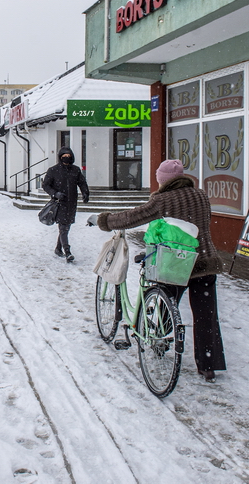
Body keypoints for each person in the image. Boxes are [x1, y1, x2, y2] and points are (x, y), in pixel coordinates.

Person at [95, 158, 226, 383]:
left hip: (177, 263)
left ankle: (160, 341)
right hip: (205, 261)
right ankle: (208, 365)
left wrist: (106, 221)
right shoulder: (201, 195)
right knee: (207, 315)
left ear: (163, 180)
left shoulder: (163, 199)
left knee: (167, 298)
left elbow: (134, 217)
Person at [42, 147, 89, 263]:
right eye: (64, 156)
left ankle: (58, 248)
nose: (66, 158)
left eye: (69, 156)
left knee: (66, 227)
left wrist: (85, 193)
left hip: (72, 203)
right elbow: (45, 185)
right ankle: (67, 252)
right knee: (63, 227)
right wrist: (55, 194)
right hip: (59, 203)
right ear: (60, 157)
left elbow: (82, 183)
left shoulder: (75, 170)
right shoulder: (53, 170)